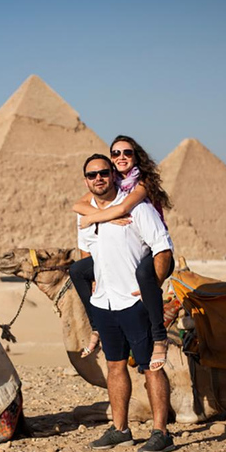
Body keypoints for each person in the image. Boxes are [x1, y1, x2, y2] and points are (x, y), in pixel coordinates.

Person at [77, 153, 175, 452]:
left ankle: (161, 432)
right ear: (86, 180)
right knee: (114, 365)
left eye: (104, 173)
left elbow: (163, 249)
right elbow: (85, 253)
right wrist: (93, 285)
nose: (98, 179)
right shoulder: (85, 214)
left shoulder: (139, 208)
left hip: (132, 301)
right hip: (104, 302)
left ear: (113, 174)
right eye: (92, 175)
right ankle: (120, 429)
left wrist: (150, 289)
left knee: (152, 367)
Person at [70, 135, 174, 371]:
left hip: (154, 250)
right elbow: (79, 205)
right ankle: (95, 325)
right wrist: (105, 216)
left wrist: (105, 216)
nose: (121, 157)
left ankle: (159, 337)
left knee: (144, 276)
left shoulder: (142, 183)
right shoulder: (111, 181)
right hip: (117, 243)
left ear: (136, 156)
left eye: (127, 153)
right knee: (77, 269)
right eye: (115, 153)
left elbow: (125, 207)